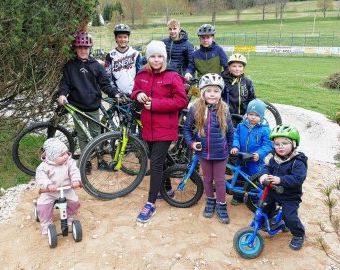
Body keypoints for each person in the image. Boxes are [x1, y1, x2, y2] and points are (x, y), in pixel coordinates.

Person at [131, 40, 188, 223]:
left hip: (165, 127)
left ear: (164, 57)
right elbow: (135, 91)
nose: (156, 60)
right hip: (148, 127)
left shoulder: (172, 76)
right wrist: (138, 94)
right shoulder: (142, 74)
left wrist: (156, 104)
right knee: (159, 161)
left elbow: (181, 101)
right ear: (148, 58)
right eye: (153, 56)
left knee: (154, 164)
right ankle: (168, 189)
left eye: (159, 56)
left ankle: (150, 203)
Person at [57, 31, 119, 174]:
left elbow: (105, 84)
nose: (83, 51)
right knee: (82, 135)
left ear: (90, 48)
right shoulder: (70, 66)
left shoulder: (97, 66)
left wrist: (114, 93)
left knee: (95, 134)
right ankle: (86, 162)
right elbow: (65, 83)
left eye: (85, 48)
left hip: (92, 106)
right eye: (80, 48)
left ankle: (100, 160)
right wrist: (62, 94)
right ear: (76, 48)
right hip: (76, 107)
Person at [183, 73, 234, 224]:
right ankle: (210, 200)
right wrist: (192, 144)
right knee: (207, 179)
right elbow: (186, 129)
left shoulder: (224, 109)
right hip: (203, 153)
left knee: (219, 180)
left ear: (220, 93)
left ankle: (221, 204)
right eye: (209, 90)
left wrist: (228, 149)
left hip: (220, 154)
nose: (212, 94)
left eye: (216, 91)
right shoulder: (195, 109)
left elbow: (231, 131)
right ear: (202, 92)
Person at [259, 124, 308, 251]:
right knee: (264, 205)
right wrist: (263, 174)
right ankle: (268, 220)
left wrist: (280, 180)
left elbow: (298, 179)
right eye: (277, 144)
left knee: (289, 216)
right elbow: (268, 167)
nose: (280, 147)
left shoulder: (298, 161)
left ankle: (298, 234)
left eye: (284, 143)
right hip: (273, 191)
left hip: (290, 195)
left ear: (293, 144)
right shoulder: (274, 158)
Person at [230, 98, 273, 205]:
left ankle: (256, 198)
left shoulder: (265, 129)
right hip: (241, 158)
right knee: (239, 177)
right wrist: (235, 146)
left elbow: (268, 145)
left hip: (255, 160)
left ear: (262, 116)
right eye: (251, 114)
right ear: (247, 114)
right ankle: (238, 196)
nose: (253, 117)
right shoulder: (241, 126)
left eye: (257, 115)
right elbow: (236, 136)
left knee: (255, 179)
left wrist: (259, 154)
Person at [35, 138, 81, 235]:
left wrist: (75, 180)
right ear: (52, 157)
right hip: (49, 192)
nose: (66, 156)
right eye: (61, 155)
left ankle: (70, 216)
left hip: (66, 189)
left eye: (66, 153)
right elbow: (41, 177)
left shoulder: (69, 161)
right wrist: (48, 184)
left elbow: (74, 171)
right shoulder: (44, 166)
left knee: (75, 202)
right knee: (43, 205)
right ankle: (46, 224)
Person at [105, 24, 143, 96]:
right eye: (119, 37)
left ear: (128, 38)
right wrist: (115, 92)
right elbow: (108, 76)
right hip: (117, 96)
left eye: (125, 37)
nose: (122, 40)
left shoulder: (136, 54)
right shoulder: (110, 55)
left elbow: (140, 74)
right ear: (115, 38)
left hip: (134, 94)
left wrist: (138, 91)